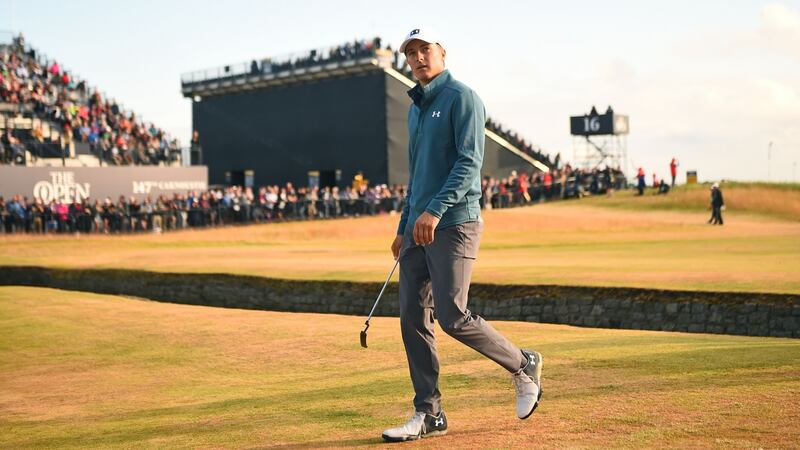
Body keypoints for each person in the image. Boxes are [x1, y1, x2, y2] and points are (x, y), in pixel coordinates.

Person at [381, 28, 543, 443]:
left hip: (455, 223)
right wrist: (404, 226)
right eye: (411, 53)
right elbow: (417, 178)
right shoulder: (416, 108)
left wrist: (434, 211)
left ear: (442, 53)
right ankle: (429, 413)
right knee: (412, 318)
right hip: (419, 228)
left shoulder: (462, 97)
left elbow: (470, 163)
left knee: (452, 315)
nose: (418, 58)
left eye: (425, 50)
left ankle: (523, 364)